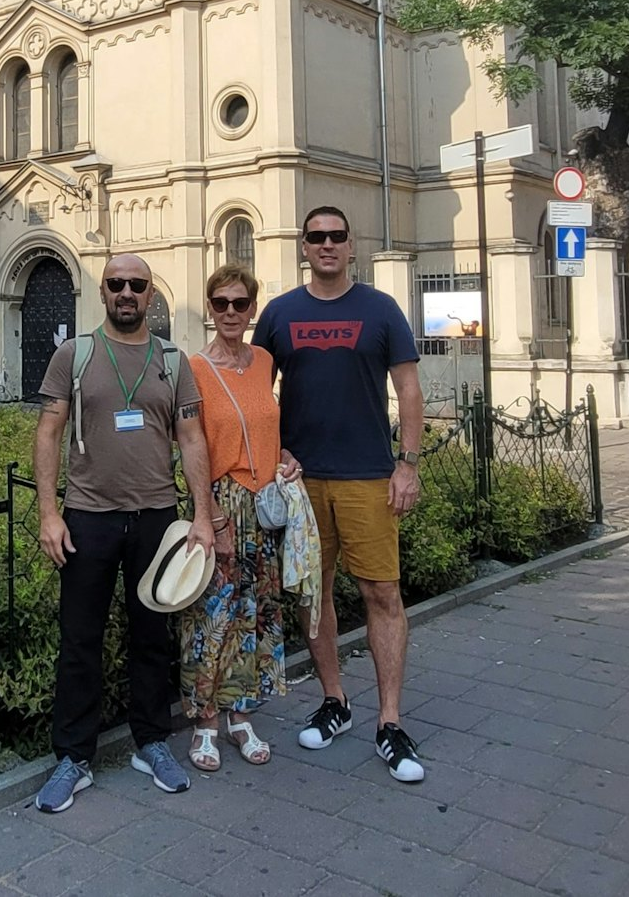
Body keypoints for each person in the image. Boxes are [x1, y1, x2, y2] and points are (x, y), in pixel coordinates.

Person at [33, 254, 215, 812]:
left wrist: (204, 516)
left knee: (151, 638)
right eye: (117, 284)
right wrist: (48, 513)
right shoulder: (75, 354)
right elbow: (48, 433)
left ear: (151, 293)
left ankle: (151, 742)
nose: (127, 293)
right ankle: (74, 758)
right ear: (103, 292)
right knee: (80, 640)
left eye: (137, 285)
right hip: (88, 515)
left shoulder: (172, 360)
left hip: (158, 517)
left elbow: (191, 439)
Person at [253, 204, 426, 784]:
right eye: (316, 237)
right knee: (312, 595)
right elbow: (259, 394)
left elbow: (409, 387)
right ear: (303, 246)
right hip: (301, 485)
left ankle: (391, 722)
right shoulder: (279, 313)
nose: (326, 245)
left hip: (369, 477)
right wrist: (273, 453)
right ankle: (335, 702)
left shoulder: (380, 310)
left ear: (352, 245)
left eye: (336, 237)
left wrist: (408, 465)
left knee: (381, 593)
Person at [180, 263, 303, 771]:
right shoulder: (193, 368)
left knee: (256, 611)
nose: (231, 312)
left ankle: (242, 713)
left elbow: (265, 424)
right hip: (223, 503)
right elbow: (192, 447)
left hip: (265, 503)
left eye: (240, 303)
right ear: (210, 309)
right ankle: (205, 721)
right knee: (214, 615)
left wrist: (285, 456)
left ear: (253, 309)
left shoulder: (263, 362)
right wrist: (209, 518)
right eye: (220, 303)